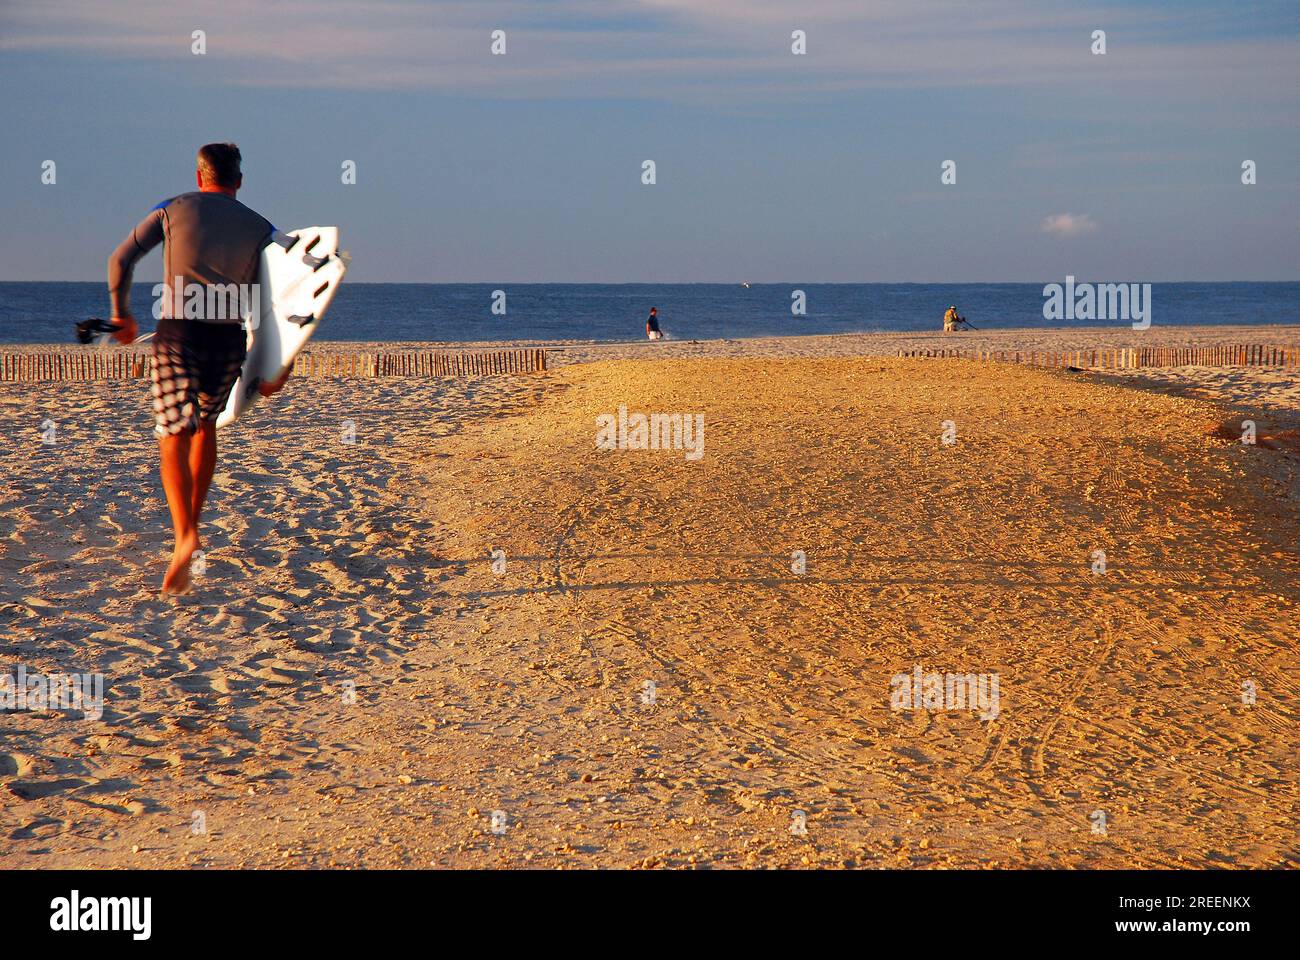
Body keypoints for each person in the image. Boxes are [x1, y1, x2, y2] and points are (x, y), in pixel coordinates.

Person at [106, 142, 288, 595]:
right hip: (227, 341)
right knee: (206, 425)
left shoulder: (173, 208)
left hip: (179, 335)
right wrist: (278, 363)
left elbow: (121, 259)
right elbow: (284, 296)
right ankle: (194, 522)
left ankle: (184, 533)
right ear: (238, 182)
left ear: (199, 176)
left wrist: (122, 314)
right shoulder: (260, 225)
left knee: (172, 434)